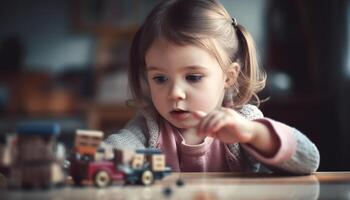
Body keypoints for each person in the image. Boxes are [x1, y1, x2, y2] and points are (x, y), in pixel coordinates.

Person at [105, 0, 320, 174]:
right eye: (160, 79)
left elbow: (308, 160)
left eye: (193, 77)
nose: (175, 93)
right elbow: (113, 151)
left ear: (228, 76)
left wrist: (252, 133)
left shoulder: (242, 121)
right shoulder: (148, 127)